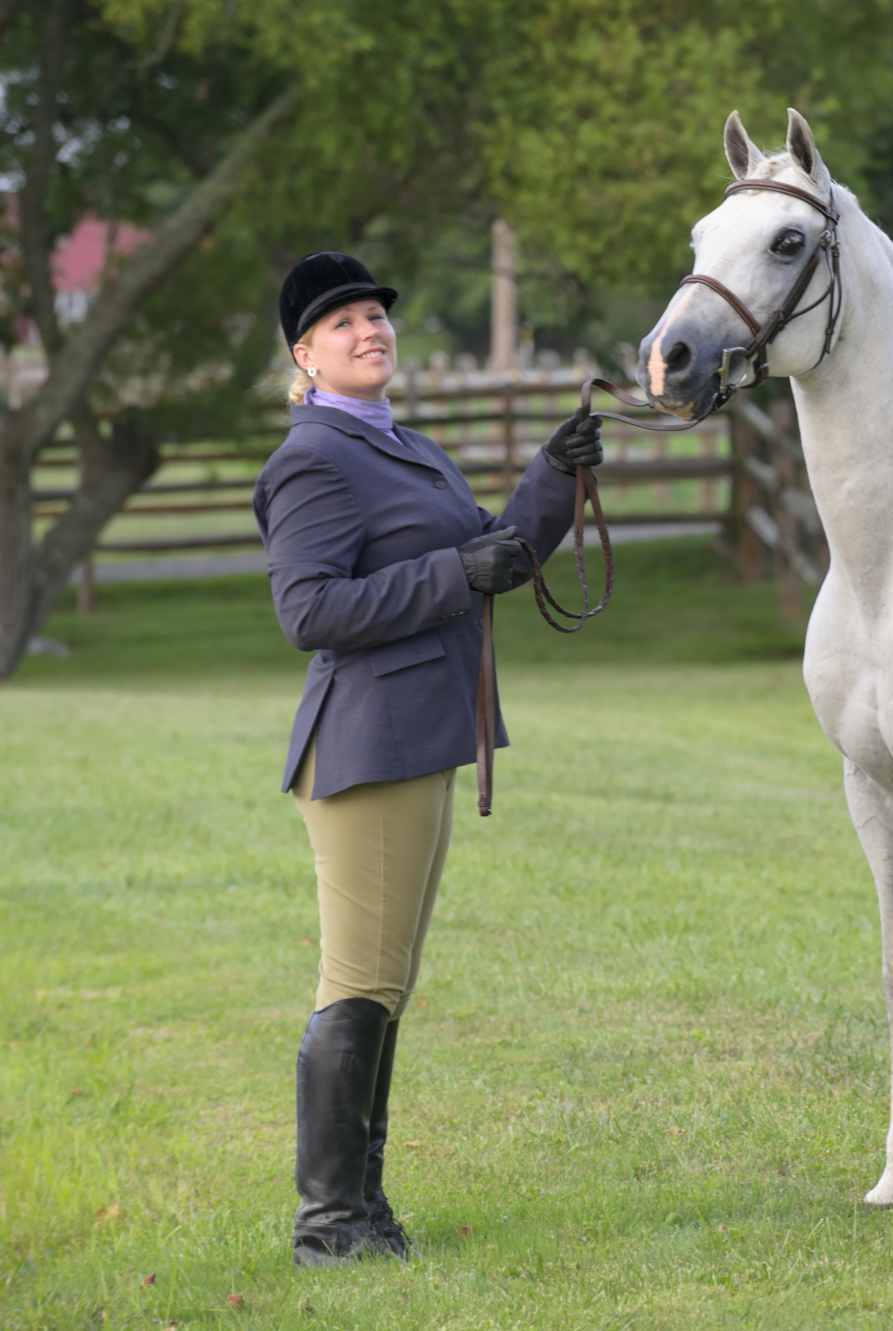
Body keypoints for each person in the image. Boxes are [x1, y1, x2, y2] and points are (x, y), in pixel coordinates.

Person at [252, 251, 604, 1266]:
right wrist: (454, 571)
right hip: (365, 746)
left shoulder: (402, 444)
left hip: (420, 738)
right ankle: (328, 1224)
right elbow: (307, 608)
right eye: (344, 323)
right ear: (305, 357)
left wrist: (555, 471)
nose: (371, 330)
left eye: (376, 315)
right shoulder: (314, 456)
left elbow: (497, 550)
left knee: (385, 984)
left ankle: (365, 1209)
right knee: (357, 980)